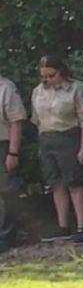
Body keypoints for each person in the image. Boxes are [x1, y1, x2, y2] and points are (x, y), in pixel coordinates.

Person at [31, 54, 83, 243]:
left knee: (74, 182)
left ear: (62, 72)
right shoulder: (38, 91)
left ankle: (82, 227)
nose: (47, 80)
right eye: (44, 76)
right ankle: (63, 226)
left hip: (69, 137)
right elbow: (36, 120)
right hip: (47, 138)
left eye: (51, 75)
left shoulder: (76, 89)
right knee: (56, 183)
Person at [0, 71, 27, 252]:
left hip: (3, 144)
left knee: (7, 191)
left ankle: (5, 236)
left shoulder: (6, 88)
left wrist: (13, 152)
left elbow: (16, 121)